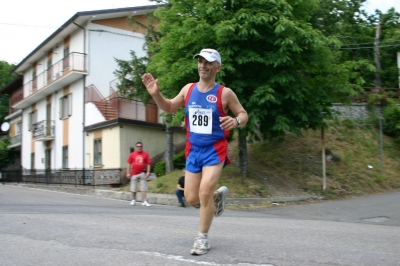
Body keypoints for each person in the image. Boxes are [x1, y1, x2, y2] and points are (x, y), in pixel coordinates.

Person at [142, 48, 248, 255]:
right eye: (200, 61)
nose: (203, 65)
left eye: (208, 62)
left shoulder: (224, 93)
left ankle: (202, 239)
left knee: (204, 192)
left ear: (218, 67)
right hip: (194, 149)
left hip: (215, 149)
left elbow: (243, 114)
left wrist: (235, 121)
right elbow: (170, 107)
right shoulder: (188, 89)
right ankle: (216, 198)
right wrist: (156, 95)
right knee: (191, 199)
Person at [126, 142, 152, 207]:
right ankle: (133, 199)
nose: (139, 147)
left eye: (140, 146)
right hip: (134, 173)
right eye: (138, 146)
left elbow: (148, 163)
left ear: (142, 147)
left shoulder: (145, 154)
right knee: (133, 187)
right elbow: (128, 164)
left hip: (142, 173)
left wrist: (148, 172)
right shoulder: (132, 155)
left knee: (144, 187)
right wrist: (128, 173)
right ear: (136, 147)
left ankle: (144, 201)